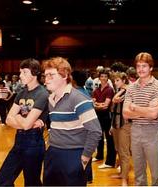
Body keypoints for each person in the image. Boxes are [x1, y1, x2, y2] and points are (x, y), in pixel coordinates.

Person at [42, 57, 102, 186]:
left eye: (51, 75)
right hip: (53, 153)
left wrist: (85, 158)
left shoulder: (79, 99)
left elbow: (95, 131)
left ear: (65, 76)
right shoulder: (51, 99)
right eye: (45, 75)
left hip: (73, 155)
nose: (46, 79)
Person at [0, 58, 49, 186]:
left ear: (34, 73)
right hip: (19, 141)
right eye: (20, 72)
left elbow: (26, 124)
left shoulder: (42, 94)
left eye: (24, 72)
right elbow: (8, 119)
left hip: (34, 144)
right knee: (2, 182)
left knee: (31, 183)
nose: (20, 75)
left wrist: (18, 118)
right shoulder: (21, 93)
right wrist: (22, 121)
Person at [123, 52, 158, 186]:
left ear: (151, 68)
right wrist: (147, 109)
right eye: (138, 66)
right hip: (135, 131)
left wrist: (134, 107)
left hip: (152, 132)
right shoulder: (131, 88)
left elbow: (154, 115)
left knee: (156, 174)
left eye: (144, 66)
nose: (140, 69)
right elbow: (125, 113)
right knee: (139, 174)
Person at [92, 68, 116, 169]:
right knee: (99, 136)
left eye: (105, 77)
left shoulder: (110, 89)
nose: (103, 78)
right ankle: (99, 155)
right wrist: (98, 104)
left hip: (107, 115)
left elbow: (106, 106)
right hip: (98, 115)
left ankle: (110, 162)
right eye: (102, 76)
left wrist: (97, 104)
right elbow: (92, 103)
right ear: (99, 78)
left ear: (108, 78)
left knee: (109, 138)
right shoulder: (96, 90)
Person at [110, 72, 131, 186]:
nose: (115, 82)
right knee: (118, 149)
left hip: (125, 124)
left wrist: (114, 99)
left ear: (124, 80)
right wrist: (111, 126)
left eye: (117, 80)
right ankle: (122, 173)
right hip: (116, 123)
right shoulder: (118, 91)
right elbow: (113, 109)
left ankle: (125, 179)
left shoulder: (128, 90)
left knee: (124, 152)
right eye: (114, 81)